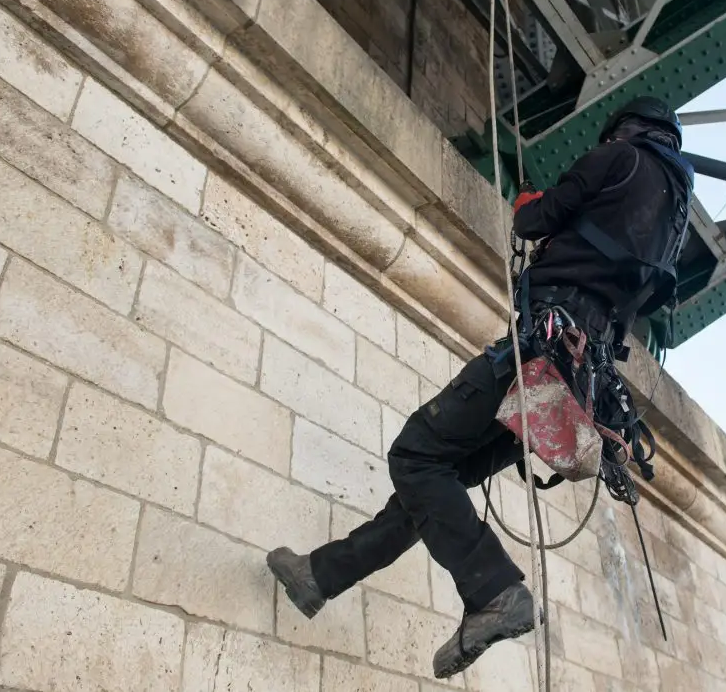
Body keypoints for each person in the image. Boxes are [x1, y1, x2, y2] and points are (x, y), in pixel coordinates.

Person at [266, 95, 694, 679]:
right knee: (432, 485)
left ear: (626, 128)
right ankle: (320, 576)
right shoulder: (674, 214)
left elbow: (534, 221)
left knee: (415, 455)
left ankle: (495, 592)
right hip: (579, 381)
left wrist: (528, 203)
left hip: (542, 348)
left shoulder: (618, 158)